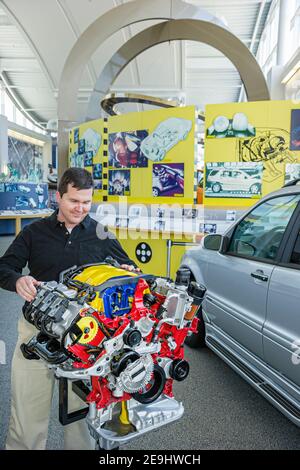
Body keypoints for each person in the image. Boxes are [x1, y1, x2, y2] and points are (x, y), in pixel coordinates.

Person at [0, 167, 139, 450]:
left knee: (84, 420)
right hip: (37, 332)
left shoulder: (101, 234)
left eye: (87, 202)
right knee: (26, 417)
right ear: (58, 197)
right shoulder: (34, 233)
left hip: (88, 337)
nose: (81, 208)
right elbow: (4, 267)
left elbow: (128, 269)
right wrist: (18, 280)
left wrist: (126, 272)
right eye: (74, 201)